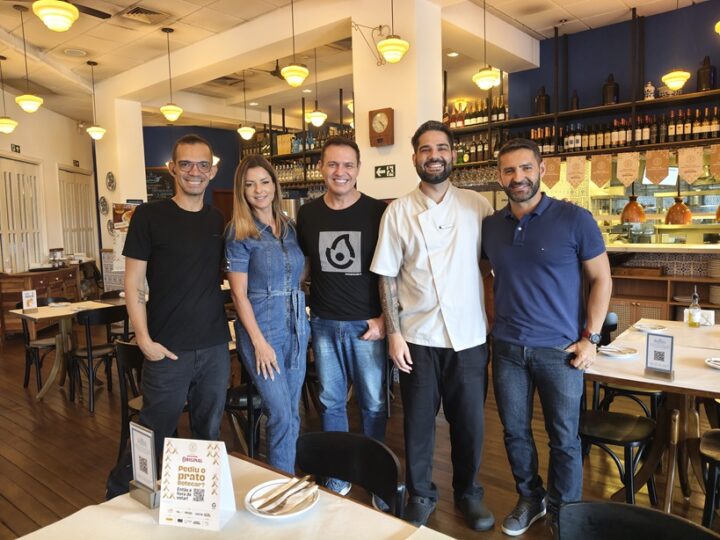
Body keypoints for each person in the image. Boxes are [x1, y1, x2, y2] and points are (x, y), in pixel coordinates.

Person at [482, 137, 612, 536]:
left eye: (525, 168)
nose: (518, 177)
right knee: (515, 433)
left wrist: (591, 337)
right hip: (507, 349)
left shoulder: (575, 219)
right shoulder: (491, 226)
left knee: (564, 439)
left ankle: (563, 511)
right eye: (509, 170)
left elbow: (602, 279)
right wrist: (490, 320)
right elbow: (485, 274)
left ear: (542, 170)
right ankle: (531, 498)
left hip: (561, 351)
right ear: (499, 176)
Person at [370, 120, 495, 531]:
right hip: (417, 337)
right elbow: (386, 276)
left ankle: (469, 493)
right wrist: (393, 333)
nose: (434, 156)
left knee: (470, 424)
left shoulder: (477, 206)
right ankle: (420, 494)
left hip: (469, 337)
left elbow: (490, 266)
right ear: (414, 158)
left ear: (453, 154)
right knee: (418, 426)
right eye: (426, 149)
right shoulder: (398, 212)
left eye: (441, 148)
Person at [106, 133, 230, 497]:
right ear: (172, 168)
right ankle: (116, 497)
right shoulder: (149, 216)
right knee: (154, 429)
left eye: (203, 165)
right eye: (186, 164)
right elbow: (133, 282)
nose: (195, 171)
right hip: (167, 347)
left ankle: (199, 502)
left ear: (212, 171)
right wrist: (144, 340)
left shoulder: (217, 219)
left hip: (214, 347)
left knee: (209, 431)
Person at [296, 135, 388, 496]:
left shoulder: (377, 211)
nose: (340, 171)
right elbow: (305, 264)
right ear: (321, 167)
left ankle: (375, 473)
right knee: (330, 402)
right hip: (323, 322)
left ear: (359, 169)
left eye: (348, 165)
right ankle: (339, 471)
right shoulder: (308, 214)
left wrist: (385, 318)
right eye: (333, 164)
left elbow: (390, 270)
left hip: (367, 324)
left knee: (374, 403)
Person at [225, 154, 308, 474]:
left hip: (297, 323)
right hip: (263, 327)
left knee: (292, 411)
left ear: (275, 184)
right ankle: (281, 486)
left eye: (264, 182)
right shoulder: (239, 231)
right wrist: (259, 342)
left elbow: (299, 271)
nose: (259, 190)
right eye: (250, 185)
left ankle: (285, 480)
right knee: (281, 413)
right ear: (242, 191)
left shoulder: (289, 226)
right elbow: (238, 294)